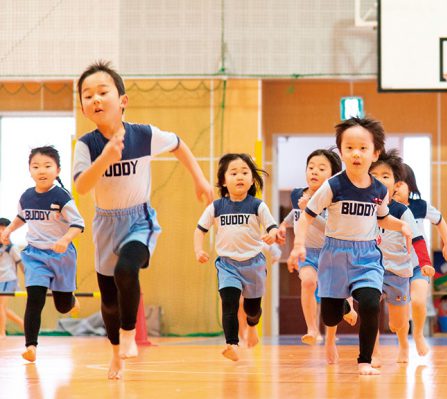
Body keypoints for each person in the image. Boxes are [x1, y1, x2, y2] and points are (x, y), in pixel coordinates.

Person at [72, 61, 213, 379]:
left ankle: (128, 333)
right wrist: (106, 157)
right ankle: (115, 355)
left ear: (122, 100)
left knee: (127, 269)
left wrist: (200, 180)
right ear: (83, 107)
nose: (95, 99)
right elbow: (81, 186)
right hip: (105, 224)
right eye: (87, 94)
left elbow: (179, 144)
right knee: (108, 300)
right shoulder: (87, 145)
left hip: (139, 220)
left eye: (103, 92)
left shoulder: (144, 135)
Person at [287, 117, 413, 376]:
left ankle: (364, 360)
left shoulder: (378, 188)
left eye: (363, 148)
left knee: (370, 303)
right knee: (330, 317)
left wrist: (401, 226)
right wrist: (298, 244)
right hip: (334, 253)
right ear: (342, 152)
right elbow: (308, 216)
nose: (356, 153)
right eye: (349, 148)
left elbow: (382, 218)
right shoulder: (332, 186)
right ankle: (343, 306)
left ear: (375, 153)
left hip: (366, 255)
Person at [0, 146, 84, 362]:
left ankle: (71, 300)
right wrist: (10, 229)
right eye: (36, 166)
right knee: (35, 299)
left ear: (57, 170)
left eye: (47, 166)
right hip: (35, 255)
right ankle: (31, 346)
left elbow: (78, 224)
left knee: (62, 306)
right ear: (30, 170)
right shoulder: (27, 196)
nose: (41, 170)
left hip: (61, 256)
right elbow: (22, 216)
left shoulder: (62, 196)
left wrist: (65, 239)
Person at [194, 153, 279, 361]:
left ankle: (252, 326)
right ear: (224, 180)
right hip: (227, 264)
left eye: (244, 172)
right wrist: (199, 250)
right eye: (233, 173)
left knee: (252, 309)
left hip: (254, 263)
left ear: (252, 179)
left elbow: (273, 227)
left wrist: (271, 235)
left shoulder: (257, 205)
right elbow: (200, 229)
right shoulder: (216, 206)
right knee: (229, 302)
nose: (239, 176)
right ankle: (231, 343)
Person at [279, 149, 357, 345]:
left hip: (331, 251)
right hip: (308, 252)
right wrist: (282, 225)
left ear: (332, 176)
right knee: (307, 282)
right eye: (311, 167)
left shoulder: (334, 201)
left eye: (321, 169)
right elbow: (295, 215)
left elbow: (329, 229)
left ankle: (348, 308)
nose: (314, 171)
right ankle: (312, 329)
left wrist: (310, 211)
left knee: (335, 292)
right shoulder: (298, 194)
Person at [370, 150, 432, 364]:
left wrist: (424, 263)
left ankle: (404, 345)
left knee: (397, 323)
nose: (379, 180)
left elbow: (418, 238)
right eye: (374, 175)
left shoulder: (402, 210)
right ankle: (373, 353)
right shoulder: (362, 208)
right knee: (370, 310)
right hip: (371, 268)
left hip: (398, 271)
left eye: (385, 176)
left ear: (395, 183)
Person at [393, 163, 447, 355]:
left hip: (420, 265)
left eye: (399, 183)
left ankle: (418, 334)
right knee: (400, 314)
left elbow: (440, 220)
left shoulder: (420, 206)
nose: (394, 187)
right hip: (395, 268)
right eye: (391, 182)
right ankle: (403, 343)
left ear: (410, 186)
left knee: (418, 301)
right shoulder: (384, 208)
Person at [0, 217, 24, 338]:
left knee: (1, 307)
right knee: (2, 308)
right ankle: (23, 324)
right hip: (0, 280)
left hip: (9, 280)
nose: (1, 231)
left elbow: (21, 265)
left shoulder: (12, 248)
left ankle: (2, 333)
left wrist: (29, 279)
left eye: (4, 228)